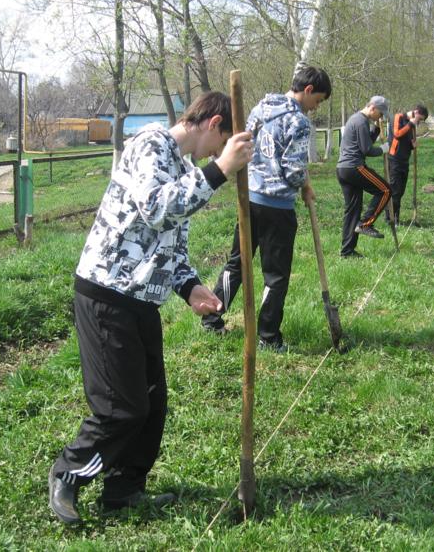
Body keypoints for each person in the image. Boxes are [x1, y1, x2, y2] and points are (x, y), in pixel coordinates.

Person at [48, 92, 254, 524]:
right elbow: (157, 208)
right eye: (218, 144)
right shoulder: (149, 144)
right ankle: (69, 471)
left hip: (142, 300)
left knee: (151, 404)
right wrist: (219, 170)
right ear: (213, 122)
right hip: (107, 292)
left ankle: (123, 490)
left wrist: (191, 287)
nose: (216, 154)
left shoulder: (181, 166)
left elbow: (170, 246)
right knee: (121, 408)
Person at [200, 66, 331, 353]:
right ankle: (269, 337)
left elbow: (248, 145)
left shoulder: (262, 106)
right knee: (276, 275)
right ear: (308, 91)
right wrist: (303, 183)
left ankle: (211, 318)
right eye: (318, 100)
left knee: (237, 262)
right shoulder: (298, 121)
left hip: (249, 199)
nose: (316, 107)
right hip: (277, 207)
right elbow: (294, 170)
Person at [336, 96, 392, 258]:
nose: (381, 117)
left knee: (352, 211)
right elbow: (367, 149)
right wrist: (384, 149)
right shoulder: (360, 121)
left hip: (343, 169)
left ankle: (347, 251)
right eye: (380, 114)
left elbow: (364, 142)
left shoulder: (357, 119)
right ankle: (366, 224)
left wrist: (375, 130)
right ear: (373, 107)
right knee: (386, 190)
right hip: (354, 167)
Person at [386, 104, 428, 225]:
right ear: (416, 112)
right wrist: (411, 123)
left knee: (400, 191)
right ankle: (392, 219)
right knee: (394, 190)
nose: (419, 122)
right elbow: (397, 134)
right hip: (394, 159)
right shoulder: (398, 117)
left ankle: (395, 218)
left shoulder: (412, 126)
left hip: (404, 160)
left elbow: (406, 141)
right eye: (420, 119)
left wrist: (412, 145)